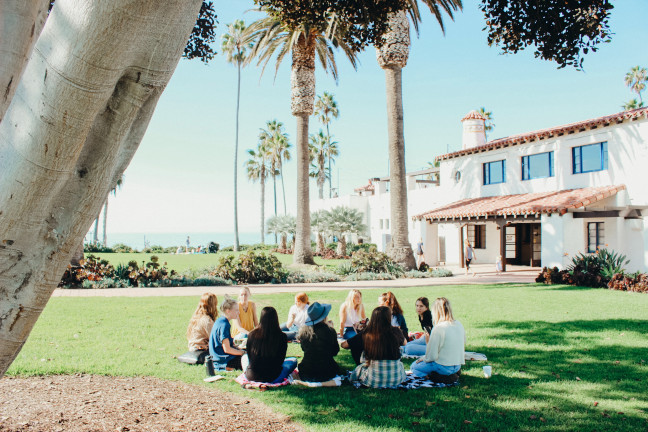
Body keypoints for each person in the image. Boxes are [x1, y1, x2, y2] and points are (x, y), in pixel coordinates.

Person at [350, 306, 407, 388]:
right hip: (396, 378)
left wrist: (359, 335)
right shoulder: (395, 331)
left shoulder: (367, 333)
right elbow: (405, 343)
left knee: (356, 349)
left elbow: (345, 345)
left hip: (373, 380)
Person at [410, 297, 465, 378]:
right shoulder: (459, 324)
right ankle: (450, 374)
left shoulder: (439, 328)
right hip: (457, 366)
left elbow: (432, 356)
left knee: (414, 367)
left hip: (443, 366)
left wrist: (424, 358)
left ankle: (437, 377)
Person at [241, 307, 297, 383]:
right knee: (293, 360)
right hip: (274, 377)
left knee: (244, 358)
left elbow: (249, 356)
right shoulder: (281, 336)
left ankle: (246, 373)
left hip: (251, 376)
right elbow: (281, 359)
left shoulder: (252, 334)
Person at [295, 302, 341, 382]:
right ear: (324, 317)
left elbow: (304, 349)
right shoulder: (330, 331)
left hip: (306, 371)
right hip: (327, 371)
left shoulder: (304, 333)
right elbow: (335, 352)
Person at [208, 298, 245, 371]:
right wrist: (242, 352)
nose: (239, 312)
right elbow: (227, 349)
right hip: (223, 360)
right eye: (236, 310)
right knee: (250, 358)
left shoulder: (220, 321)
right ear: (228, 311)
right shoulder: (224, 325)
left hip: (218, 357)